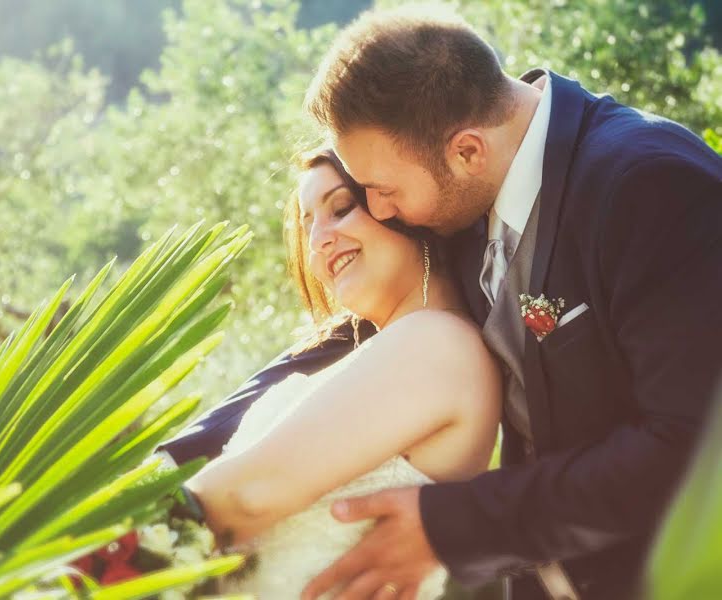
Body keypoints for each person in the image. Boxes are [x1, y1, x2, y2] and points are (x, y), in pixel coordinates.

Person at [164, 5, 722, 600]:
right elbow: (342, 359)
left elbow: (692, 448)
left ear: (466, 152)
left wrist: (452, 526)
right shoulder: (465, 203)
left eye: (380, 191)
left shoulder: (649, 185)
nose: (378, 210)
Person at [182, 148, 502, 599]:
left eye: (340, 208)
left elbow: (249, 495)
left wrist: (89, 545)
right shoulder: (404, 350)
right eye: (308, 224)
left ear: (402, 209)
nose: (317, 241)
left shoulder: (437, 345)